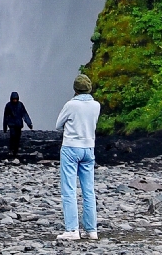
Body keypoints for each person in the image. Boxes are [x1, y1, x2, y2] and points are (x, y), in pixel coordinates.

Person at [55, 74, 101, 241]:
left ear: (75, 89)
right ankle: (92, 230)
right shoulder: (96, 105)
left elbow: (58, 124)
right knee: (89, 190)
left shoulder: (71, 105)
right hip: (89, 148)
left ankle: (72, 229)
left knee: (69, 189)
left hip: (71, 148)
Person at [3, 91, 33, 158]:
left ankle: (15, 152)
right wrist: (5, 127)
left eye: (16, 99)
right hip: (12, 124)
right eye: (14, 99)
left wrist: (29, 123)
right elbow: (5, 117)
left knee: (17, 138)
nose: (15, 100)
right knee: (13, 136)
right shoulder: (8, 105)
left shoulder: (20, 105)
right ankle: (11, 150)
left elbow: (25, 114)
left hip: (19, 124)